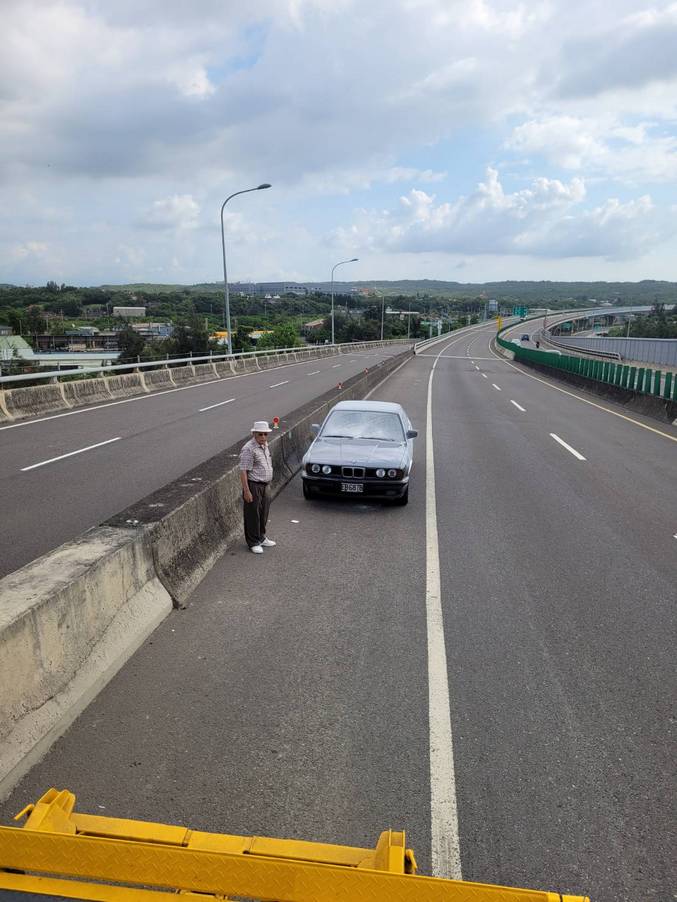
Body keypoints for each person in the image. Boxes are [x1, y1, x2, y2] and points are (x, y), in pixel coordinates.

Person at [239, 420, 276, 554]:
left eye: (265, 434)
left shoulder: (265, 445)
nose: (263, 437)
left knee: (263, 512)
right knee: (252, 514)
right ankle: (253, 541)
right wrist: (247, 491)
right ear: (254, 434)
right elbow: (243, 471)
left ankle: (261, 537)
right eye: (260, 434)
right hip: (254, 484)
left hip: (265, 484)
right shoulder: (249, 449)